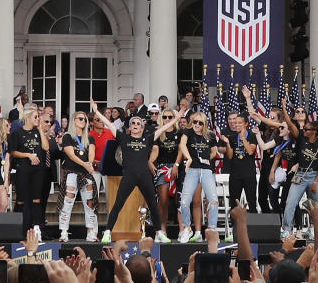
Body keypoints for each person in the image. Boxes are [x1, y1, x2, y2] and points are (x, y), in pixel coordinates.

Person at [92, 99, 176, 244]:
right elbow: (109, 124)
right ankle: (107, 232)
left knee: (153, 205)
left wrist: (178, 116)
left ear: (143, 128)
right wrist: (96, 111)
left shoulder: (147, 139)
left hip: (144, 176)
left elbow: (162, 128)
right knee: (118, 204)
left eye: (138, 123)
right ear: (129, 127)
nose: (135, 125)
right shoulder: (124, 138)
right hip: (129, 176)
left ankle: (159, 233)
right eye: (133, 123)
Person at [280, 114, 318, 239]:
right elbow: (291, 125)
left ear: (314, 131)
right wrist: (284, 109)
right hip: (300, 175)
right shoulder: (302, 139)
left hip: (314, 175)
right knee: (290, 202)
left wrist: (316, 182)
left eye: (307, 129)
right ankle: (286, 230)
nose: (304, 131)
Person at [176, 111, 219, 243]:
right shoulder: (187, 132)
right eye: (195, 121)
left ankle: (211, 229)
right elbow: (182, 145)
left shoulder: (210, 135)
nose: (197, 124)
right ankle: (187, 228)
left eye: (200, 122)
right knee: (184, 201)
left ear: (204, 124)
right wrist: (189, 158)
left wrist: (206, 159)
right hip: (192, 169)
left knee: (213, 200)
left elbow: (214, 151)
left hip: (206, 170)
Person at [8, 105, 50, 238]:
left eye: (38, 117)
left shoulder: (38, 132)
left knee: (37, 199)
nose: (38, 119)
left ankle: (36, 228)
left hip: (38, 170)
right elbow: (13, 152)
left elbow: (45, 147)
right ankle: (17, 227)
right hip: (23, 169)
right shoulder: (17, 133)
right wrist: (28, 155)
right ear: (27, 118)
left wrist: (41, 131)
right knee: (20, 200)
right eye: (36, 117)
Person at [58, 111, 99, 242]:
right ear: (74, 120)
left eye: (85, 119)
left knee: (89, 203)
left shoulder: (90, 137)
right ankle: (64, 232)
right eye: (80, 118)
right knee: (68, 202)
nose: (83, 121)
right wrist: (85, 164)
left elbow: (92, 152)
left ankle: (91, 232)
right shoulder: (67, 136)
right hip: (72, 172)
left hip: (86, 173)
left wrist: (89, 163)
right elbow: (70, 155)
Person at [220, 107, 258, 213]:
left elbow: (250, 151)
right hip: (235, 174)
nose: (236, 125)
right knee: (234, 201)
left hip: (249, 174)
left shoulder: (251, 135)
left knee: (251, 201)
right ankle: (234, 226)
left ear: (246, 124)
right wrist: (227, 143)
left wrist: (243, 138)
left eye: (239, 123)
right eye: (235, 123)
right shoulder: (232, 137)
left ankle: (252, 226)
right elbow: (230, 155)